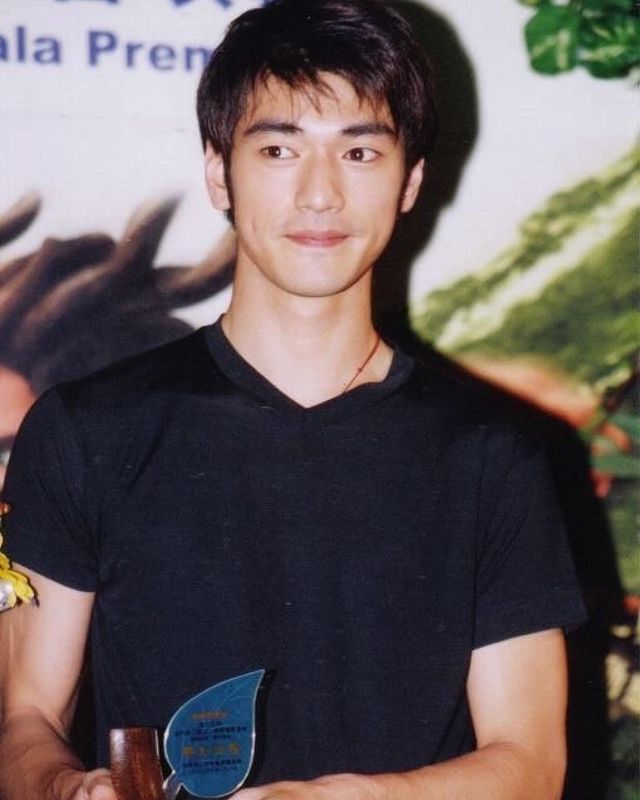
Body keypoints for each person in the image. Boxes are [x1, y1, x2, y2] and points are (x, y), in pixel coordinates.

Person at [0, 1, 585, 798]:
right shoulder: (85, 432)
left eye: (360, 152)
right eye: (278, 149)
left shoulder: (492, 454)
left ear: (411, 180)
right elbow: (23, 720)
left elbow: (532, 763)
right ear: (219, 172)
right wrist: (67, 788)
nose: (319, 195)